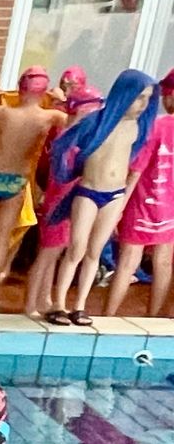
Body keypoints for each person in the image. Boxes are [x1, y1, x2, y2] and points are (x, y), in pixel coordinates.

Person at [44, 68, 159, 325]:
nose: (143, 104)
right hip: (87, 191)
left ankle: (79, 306)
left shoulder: (139, 128)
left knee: (95, 252)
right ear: (124, 94)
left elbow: (133, 165)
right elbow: (63, 144)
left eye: (148, 99)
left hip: (114, 195)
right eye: (139, 97)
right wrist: (68, 173)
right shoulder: (97, 122)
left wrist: (124, 202)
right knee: (76, 248)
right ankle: (59, 304)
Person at [0, 70, 68, 310]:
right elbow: (79, 121)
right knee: (2, 239)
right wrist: (61, 99)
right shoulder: (50, 116)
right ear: (43, 92)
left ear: (20, 88)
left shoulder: (3, 112)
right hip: (17, 180)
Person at [106, 68, 174, 317]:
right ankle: (153, 319)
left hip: (142, 205)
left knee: (127, 263)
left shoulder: (154, 127)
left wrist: (117, 210)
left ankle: (108, 316)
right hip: (170, 209)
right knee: (163, 263)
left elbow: (135, 171)